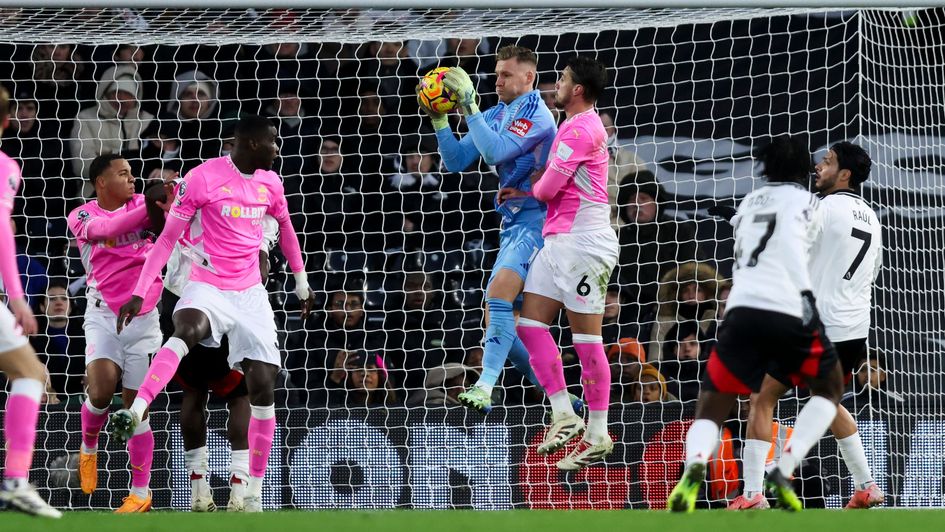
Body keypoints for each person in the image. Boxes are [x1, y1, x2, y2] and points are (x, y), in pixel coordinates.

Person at [109, 115, 314, 513]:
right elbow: (166, 235)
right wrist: (138, 292)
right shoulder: (200, 181)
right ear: (252, 144)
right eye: (272, 142)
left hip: (248, 294)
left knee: (259, 383)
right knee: (190, 342)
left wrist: (300, 281)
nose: (278, 148)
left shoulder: (270, 185)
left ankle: (248, 490)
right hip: (202, 285)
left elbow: (283, 229)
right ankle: (137, 412)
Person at [667, 136, 845, 513]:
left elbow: (747, 233)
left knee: (711, 408)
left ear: (766, 168)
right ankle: (784, 468)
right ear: (801, 168)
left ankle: (694, 466)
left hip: (740, 311)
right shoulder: (810, 203)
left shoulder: (748, 203)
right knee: (829, 390)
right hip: (789, 309)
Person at [730, 142, 885, 511]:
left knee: (761, 397)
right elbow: (872, 273)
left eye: (827, 162)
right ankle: (866, 486)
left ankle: (753, 494)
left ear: (844, 174)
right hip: (853, 329)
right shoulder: (871, 217)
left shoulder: (820, 208)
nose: (818, 166)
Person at [419, 44, 558, 413]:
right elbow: (455, 161)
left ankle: (484, 384)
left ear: (528, 77)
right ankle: (558, 397)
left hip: (541, 221)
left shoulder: (538, 116)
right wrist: (440, 121)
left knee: (497, 296)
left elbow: (495, 153)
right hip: (513, 223)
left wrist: (469, 108)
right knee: (498, 318)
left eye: (505, 74)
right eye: (496, 73)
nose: (496, 81)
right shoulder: (497, 112)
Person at [144, 177, 280, 513]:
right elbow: (269, 224)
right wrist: (262, 250)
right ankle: (238, 486)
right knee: (239, 395)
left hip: (183, 302)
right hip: (222, 297)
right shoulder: (233, 204)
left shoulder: (174, 208)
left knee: (194, 393)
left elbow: (152, 205)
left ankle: (199, 488)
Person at [509, 56, 619, 470]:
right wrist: (529, 191)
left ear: (576, 90)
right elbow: (548, 189)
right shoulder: (573, 126)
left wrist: (531, 187)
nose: (554, 84)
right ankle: (563, 412)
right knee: (530, 324)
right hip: (560, 240)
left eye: (561, 79)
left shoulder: (582, 127)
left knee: (586, 339)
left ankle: (598, 431)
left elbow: (551, 186)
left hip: (584, 243)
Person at [67, 154, 164, 513]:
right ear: (101, 182)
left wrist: (163, 199)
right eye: (123, 174)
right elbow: (107, 233)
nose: (132, 179)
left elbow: (170, 218)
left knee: (135, 409)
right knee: (102, 391)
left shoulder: (142, 202)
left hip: (145, 320)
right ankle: (89, 444)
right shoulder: (82, 215)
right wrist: (153, 203)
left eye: (134, 175)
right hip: (103, 315)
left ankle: (140, 493)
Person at [0, 85, 62, 518]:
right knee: (30, 373)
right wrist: (19, 299)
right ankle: (16, 480)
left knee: (30, 371)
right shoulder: (5, 167)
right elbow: (2, 231)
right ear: (8, 122)